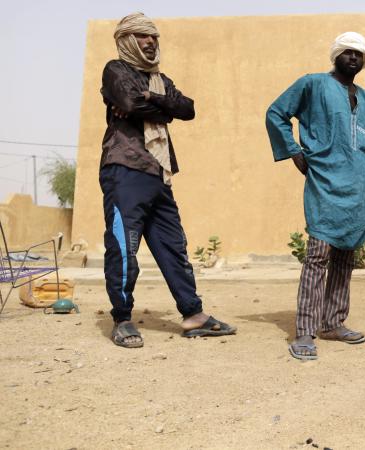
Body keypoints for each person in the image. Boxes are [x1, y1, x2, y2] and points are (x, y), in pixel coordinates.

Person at [99, 12, 236, 348]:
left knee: (174, 248)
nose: (150, 42)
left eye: (154, 37)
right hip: (125, 169)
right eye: (143, 37)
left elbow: (187, 108)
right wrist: (160, 107)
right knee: (124, 247)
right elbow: (129, 101)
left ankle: (193, 315)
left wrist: (153, 99)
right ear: (128, 40)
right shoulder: (115, 70)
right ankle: (122, 319)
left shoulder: (160, 79)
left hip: (159, 173)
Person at [265, 32, 365, 360]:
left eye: (359, 54)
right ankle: (305, 330)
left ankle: (334, 322)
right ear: (336, 55)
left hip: (360, 186)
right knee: (317, 255)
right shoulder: (312, 84)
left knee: (345, 258)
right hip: (326, 181)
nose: (354, 58)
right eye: (348, 52)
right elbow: (276, 114)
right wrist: (294, 152)